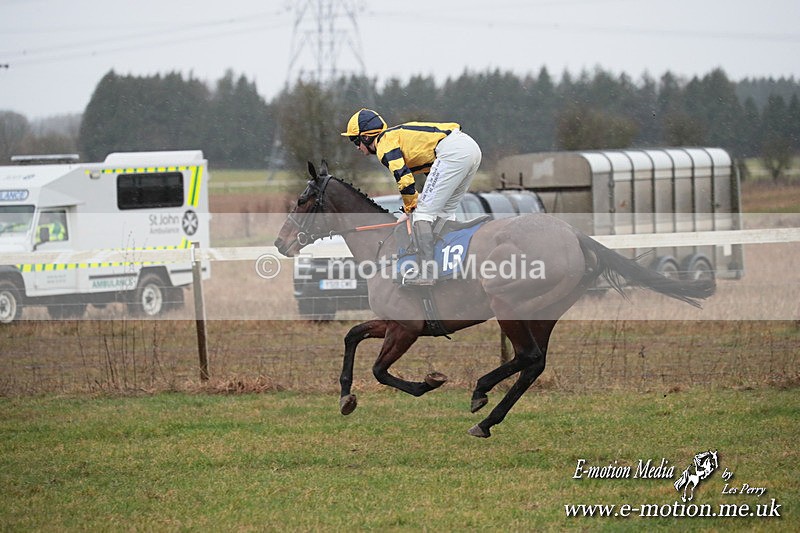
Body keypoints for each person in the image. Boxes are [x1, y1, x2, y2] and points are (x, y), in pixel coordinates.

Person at [341, 108, 482, 286]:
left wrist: (410, 209)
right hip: (470, 149)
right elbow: (431, 175)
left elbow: (404, 179)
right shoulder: (395, 137)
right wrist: (416, 204)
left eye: (355, 140)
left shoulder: (384, 144)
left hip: (453, 152)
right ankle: (449, 266)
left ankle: (428, 273)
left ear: (366, 137)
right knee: (444, 212)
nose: (356, 147)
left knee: (422, 214)